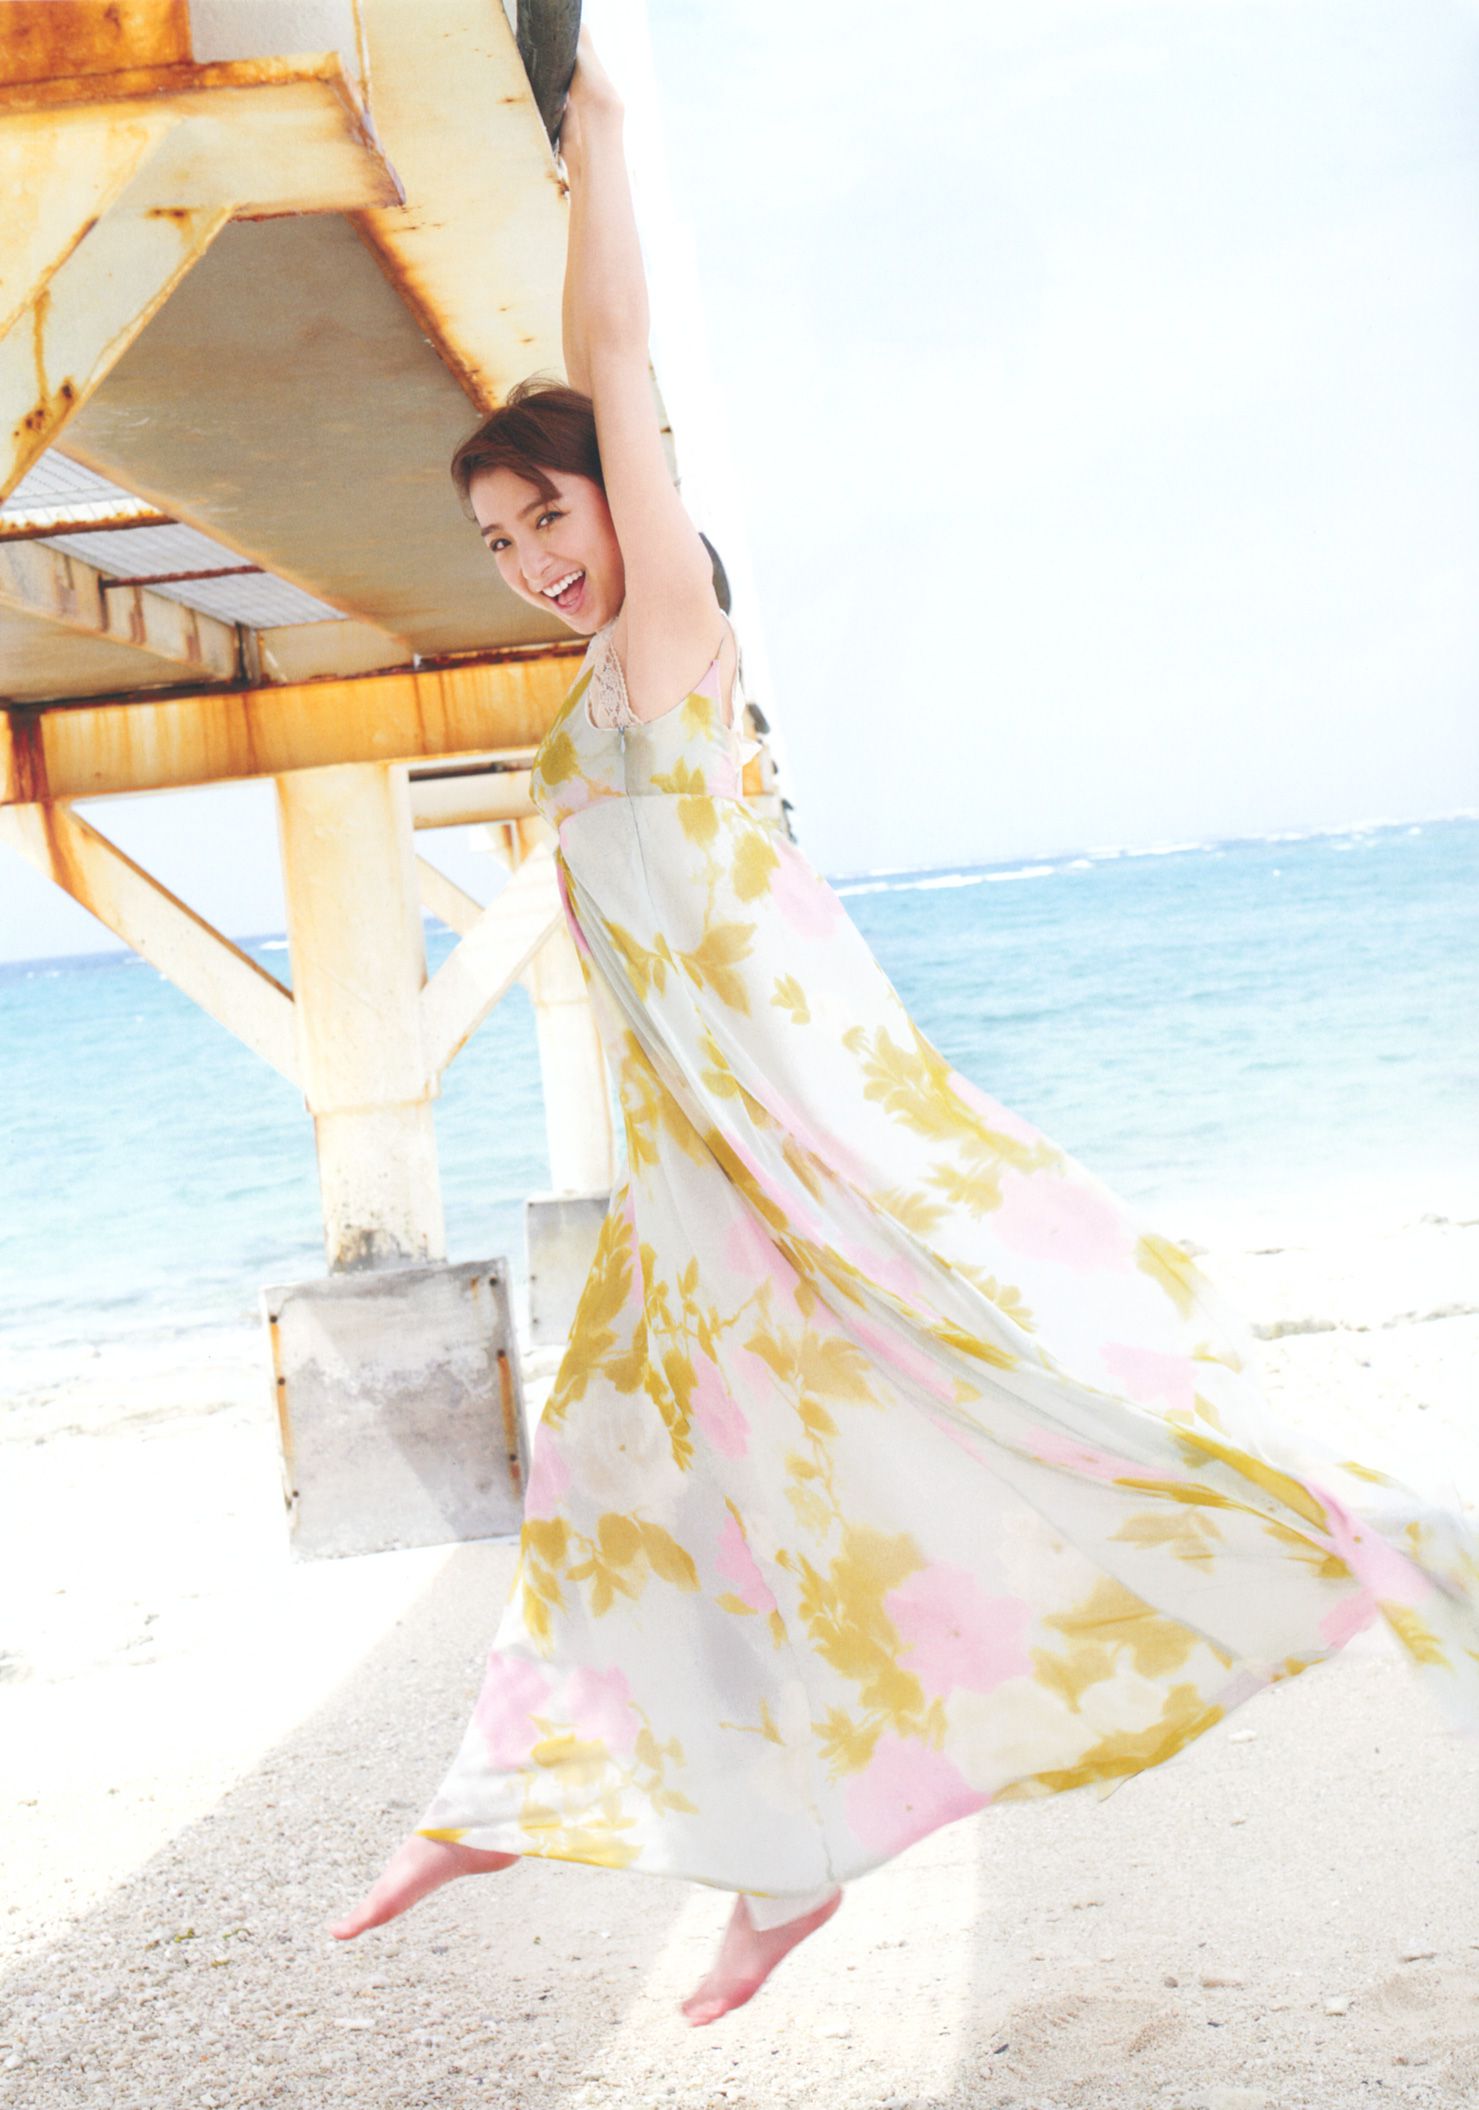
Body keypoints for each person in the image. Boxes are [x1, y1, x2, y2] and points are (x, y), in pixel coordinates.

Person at [330, 29, 1479, 2027]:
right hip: (703, 1153)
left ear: (619, 487)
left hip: (810, 1118)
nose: (531, 561)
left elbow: (616, 348)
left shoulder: (670, 635)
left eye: (547, 513)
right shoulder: (596, 686)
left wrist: (598, 120)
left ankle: (1382, 1526)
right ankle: (676, 1835)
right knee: (653, 1460)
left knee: (1031, 1375)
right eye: (499, 544)